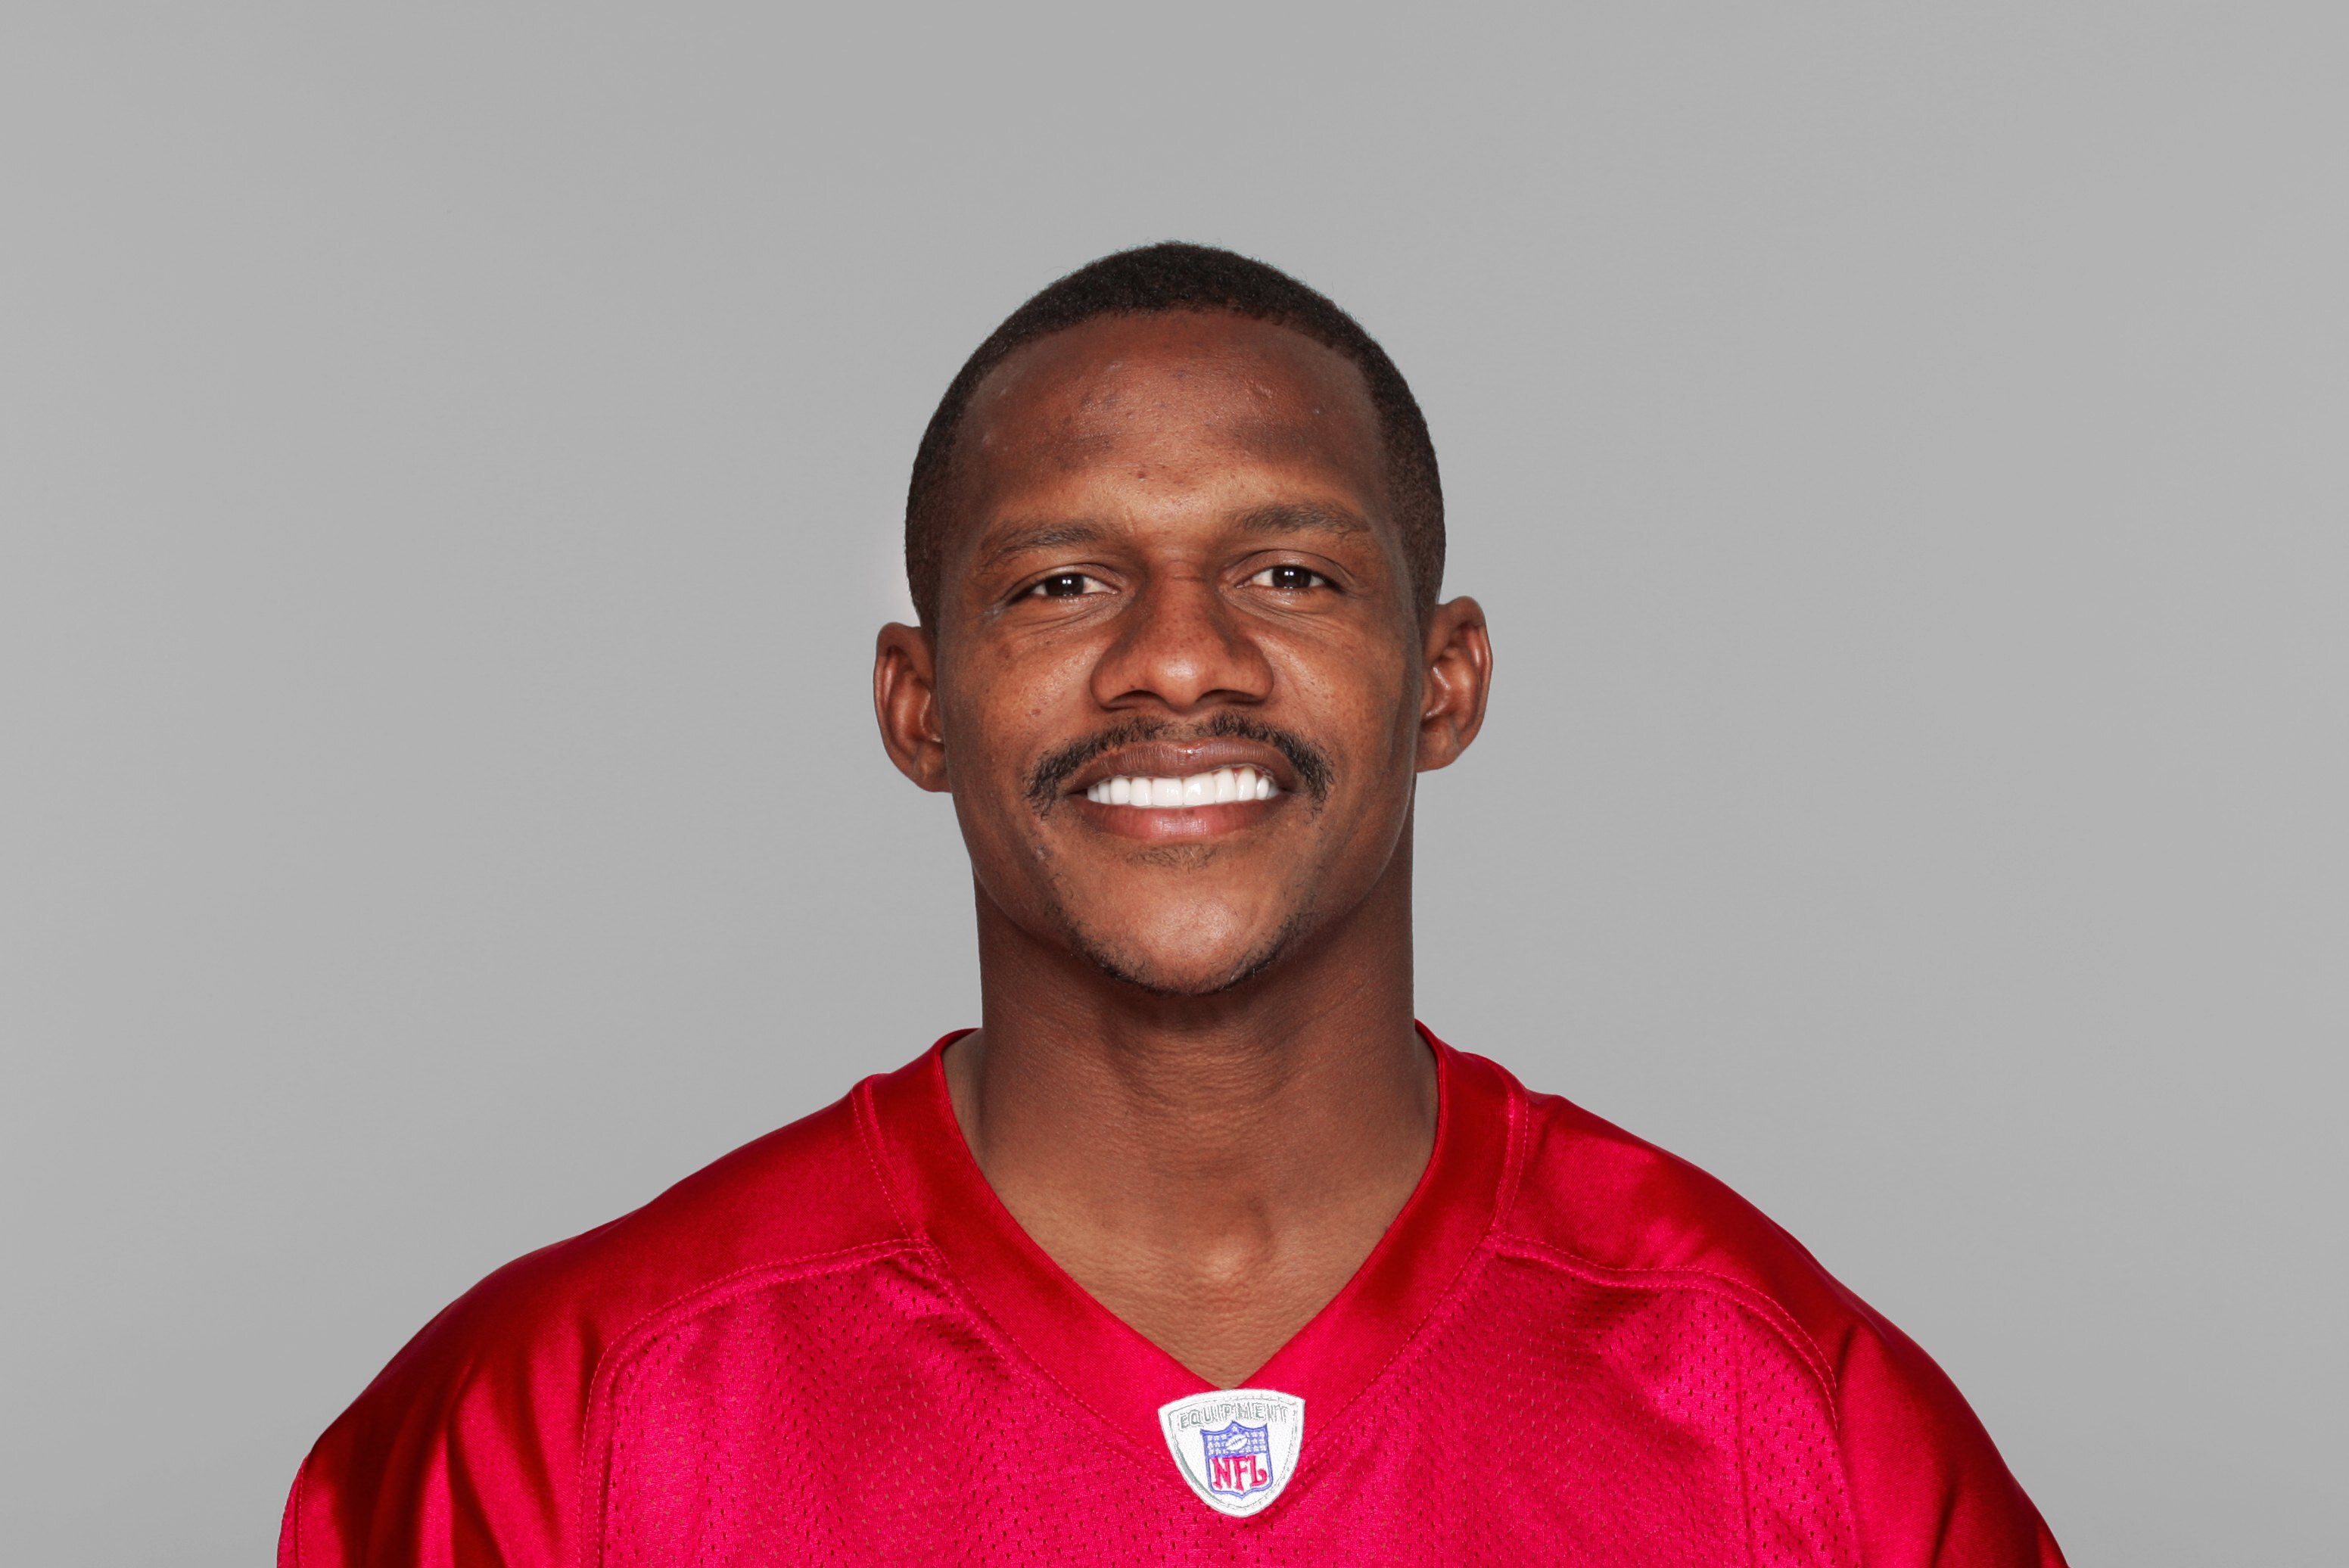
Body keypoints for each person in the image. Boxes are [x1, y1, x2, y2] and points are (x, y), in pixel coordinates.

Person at [282, 242, 2064, 1566]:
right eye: (1063, 583)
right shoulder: (560, 1422)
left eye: (1287, 571)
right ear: (918, 703)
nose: (1182, 657)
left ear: (1444, 680)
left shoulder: (1793, 1414)